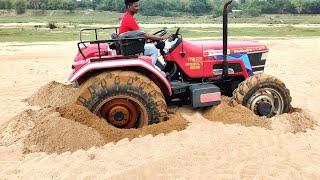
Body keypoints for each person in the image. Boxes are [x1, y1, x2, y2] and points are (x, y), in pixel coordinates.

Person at [119, 0, 171, 67]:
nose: (138, 8)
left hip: (129, 45)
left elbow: (140, 34)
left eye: (138, 6)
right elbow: (144, 35)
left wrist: (151, 38)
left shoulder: (126, 16)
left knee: (151, 47)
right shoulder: (129, 19)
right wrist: (161, 37)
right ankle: (150, 69)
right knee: (154, 50)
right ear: (129, 7)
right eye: (136, 6)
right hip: (131, 47)